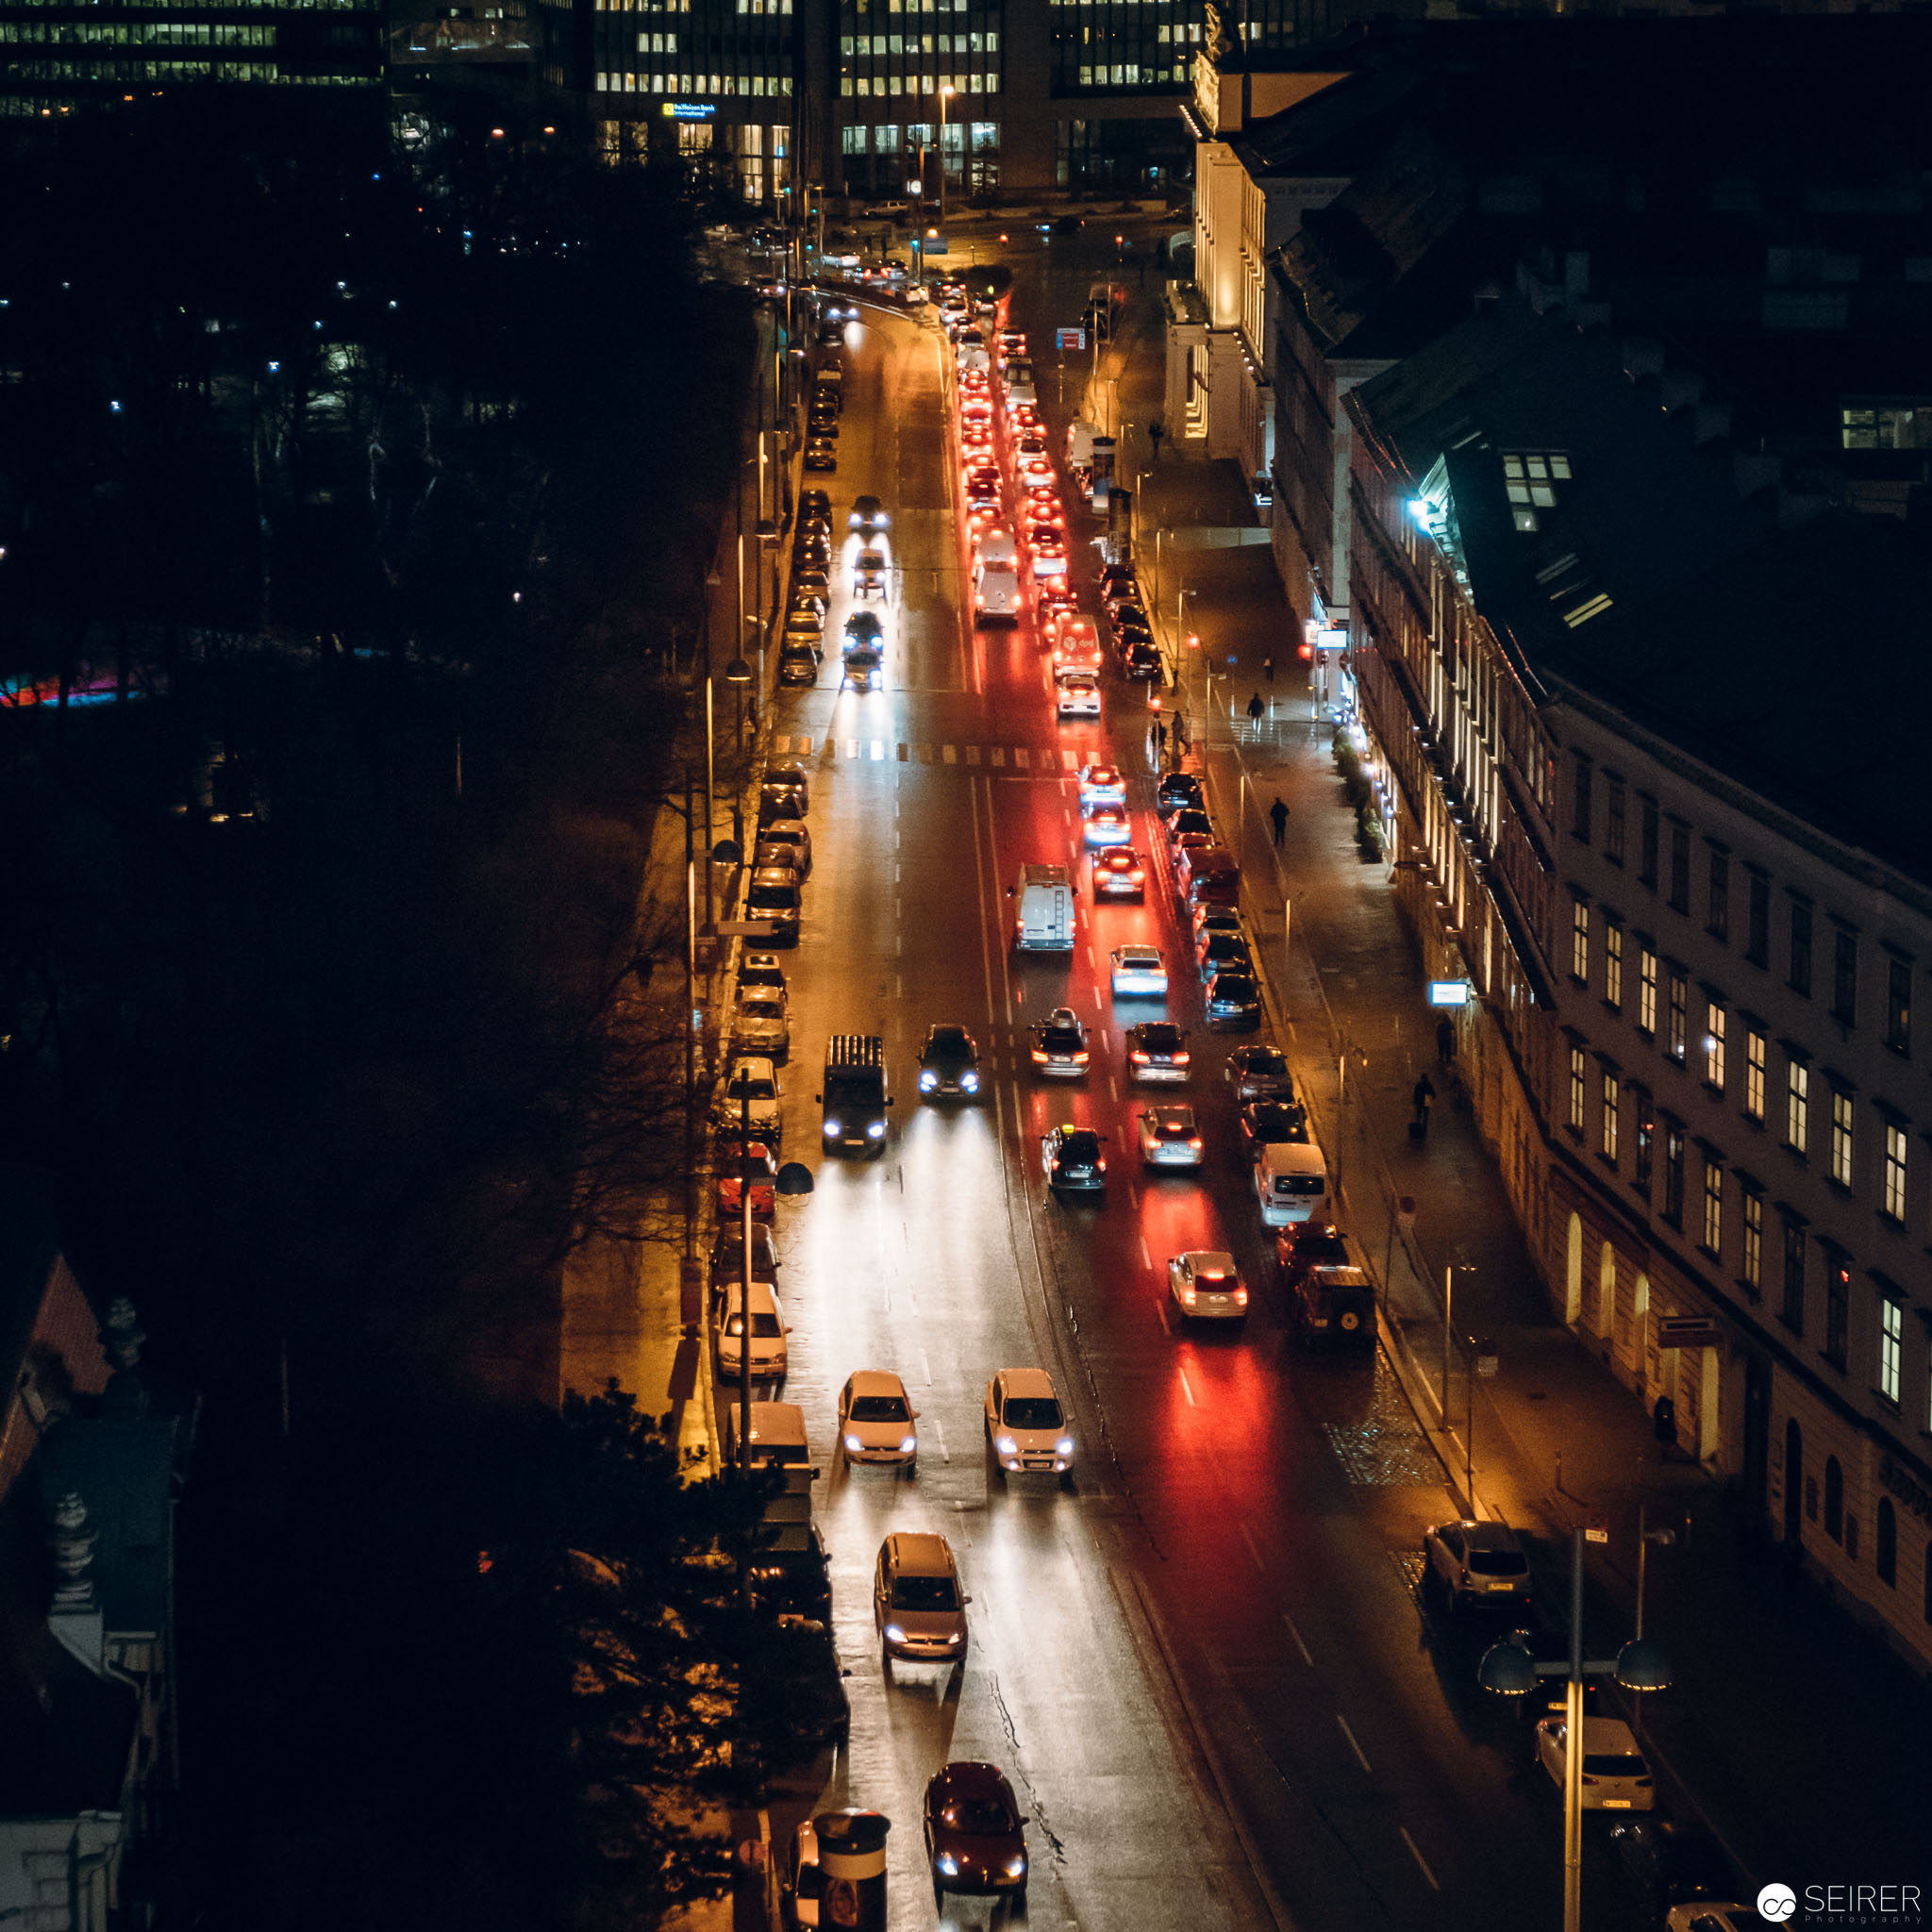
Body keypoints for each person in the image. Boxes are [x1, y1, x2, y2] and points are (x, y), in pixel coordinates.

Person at [1653, 1393, 1678, 1462]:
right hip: (1666, 1426)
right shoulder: (1668, 1407)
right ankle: (1665, 1454)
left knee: (1664, 1441)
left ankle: (1665, 1454)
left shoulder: (1658, 1407)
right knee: (1665, 1441)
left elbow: (1656, 1416)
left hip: (1663, 1427)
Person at [1411, 1073, 1436, 1141]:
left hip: (1420, 1102)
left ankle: (1418, 1129)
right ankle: (1424, 1130)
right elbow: (1433, 1093)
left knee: (1419, 1116)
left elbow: (1415, 1093)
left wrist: (1415, 1101)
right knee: (1425, 1117)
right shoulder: (1429, 1085)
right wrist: (1431, 1098)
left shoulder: (1419, 1085)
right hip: (1426, 1102)